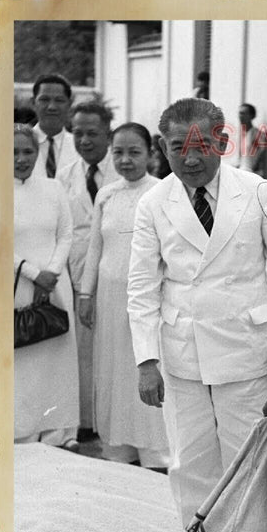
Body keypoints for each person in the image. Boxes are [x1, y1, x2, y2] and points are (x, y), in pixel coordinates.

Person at [128, 97, 267, 527]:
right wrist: (147, 360)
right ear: (163, 148)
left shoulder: (256, 191)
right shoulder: (153, 202)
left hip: (247, 349)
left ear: (222, 141)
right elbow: (143, 287)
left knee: (249, 458)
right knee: (189, 461)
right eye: (178, 146)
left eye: (201, 144)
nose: (191, 157)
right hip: (184, 353)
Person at [79, 123, 170, 471]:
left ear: (150, 153)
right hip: (108, 296)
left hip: (147, 299)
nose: (125, 159)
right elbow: (94, 248)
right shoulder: (106, 194)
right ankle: (118, 446)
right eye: (118, 152)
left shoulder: (162, 193)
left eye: (134, 152)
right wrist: (87, 293)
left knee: (144, 366)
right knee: (112, 369)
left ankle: (154, 452)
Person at [14, 124, 79, 449]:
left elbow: (66, 233)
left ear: (37, 153)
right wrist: (30, 272)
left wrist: (51, 272)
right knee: (22, 357)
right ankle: (23, 432)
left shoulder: (54, 188)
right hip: (15, 285)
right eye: (13, 152)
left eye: (27, 151)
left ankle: (60, 433)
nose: (21, 159)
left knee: (56, 356)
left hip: (55, 284)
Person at [58, 102, 118, 438]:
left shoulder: (123, 169)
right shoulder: (64, 175)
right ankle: (86, 422)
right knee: (82, 350)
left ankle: (110, 421)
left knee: (112, 350)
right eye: (78, 132)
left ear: (107, 134)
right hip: (75, 272)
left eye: (92, 133)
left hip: (114, 272)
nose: (84, 140)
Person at [31, 73, 78, 179]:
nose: (52, 107)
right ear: (33, 103)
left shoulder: (80, 147)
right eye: (44, 100)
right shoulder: (14, 144)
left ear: (69, 104)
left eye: (59, 100)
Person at [234, 103, 265, 175]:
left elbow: (263, 156)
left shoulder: (258, 134)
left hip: (251, 173)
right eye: (240, 113)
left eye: (244, 113)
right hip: (240, 172)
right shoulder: (240, 134)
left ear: (252, 116)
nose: (240, 116)